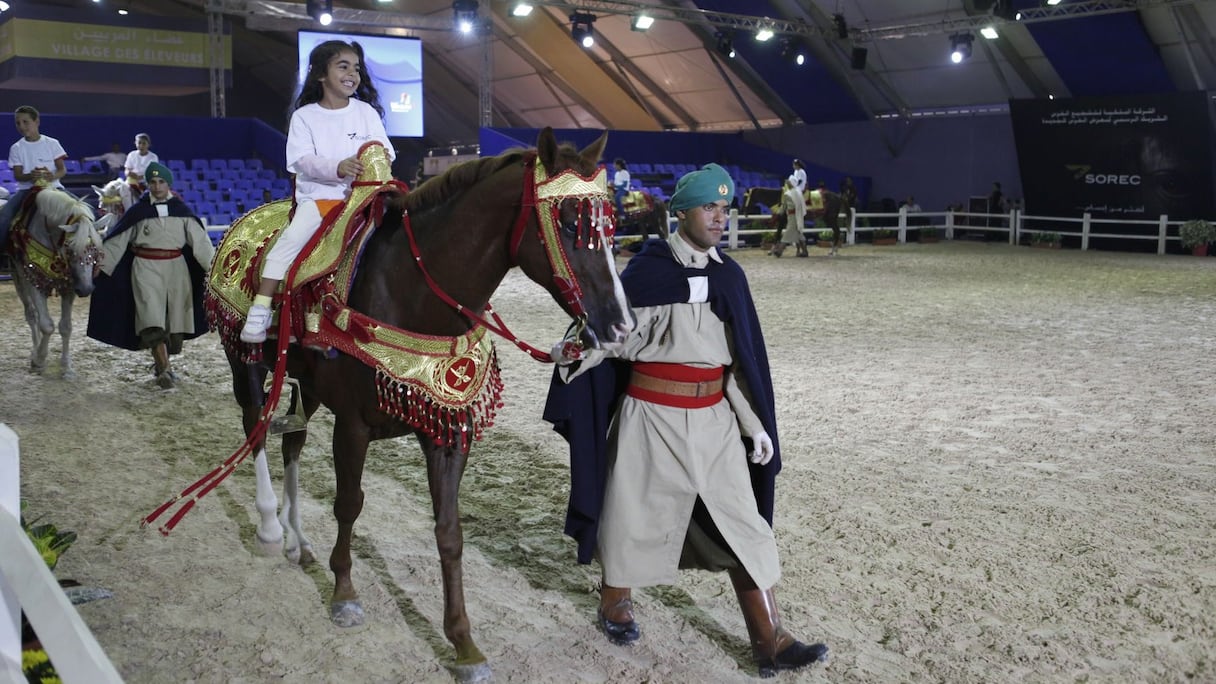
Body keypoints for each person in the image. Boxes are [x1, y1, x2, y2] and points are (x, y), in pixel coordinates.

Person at [544, 163, 829, 678]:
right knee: (632, 516)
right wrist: (573, 352)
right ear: (680, 213)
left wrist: (754, 425)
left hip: (715, 423)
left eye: (725, 208)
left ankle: (770, 638)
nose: (720, 217)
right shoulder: (649, 271)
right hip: (650, 420)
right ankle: (615, 602)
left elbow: (739, 366)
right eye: (709, 207)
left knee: (745, 524)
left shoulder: (729, 277)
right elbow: (612, 336)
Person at [239, 39, 394, 343]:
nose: (352, 73)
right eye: (343, 66)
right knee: (289, 242)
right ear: (321, 74)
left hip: (366, 198)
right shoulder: (305, 117)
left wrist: (380, 160)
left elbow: (384, 149)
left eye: (356, 68)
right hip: (322, 200)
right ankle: (261, 310)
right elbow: (300, 160)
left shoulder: (366, 112)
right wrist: (338, 167)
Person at [88, 162, 214, 389]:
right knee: (151, 319)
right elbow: (118, 240)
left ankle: (162, 362)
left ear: (168, 184)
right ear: (147, 185)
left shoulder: (182, 212)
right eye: (153, 182)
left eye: (161, 182)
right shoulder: (138, 212)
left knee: (174, 324)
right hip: (145, 269)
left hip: (177, 271)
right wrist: (100, 265)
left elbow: (201, 243)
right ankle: (165, 371)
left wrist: (215, 270)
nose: (156, 187)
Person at [0, 105, 68, 250]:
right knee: (4, 216)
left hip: (54, 188)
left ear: (36, 121)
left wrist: (52, 176)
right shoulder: (17, 148)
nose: (21, 126)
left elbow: (62, 170)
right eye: (18, 123)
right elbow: (18, 175)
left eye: (26, 122)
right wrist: (31, 176)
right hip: (27, 190)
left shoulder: (52, 143)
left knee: (85, 211)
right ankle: (3, 254)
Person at [771, 178, 807, 257]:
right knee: (799, 233)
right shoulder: (798, 192)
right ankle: (805, 251)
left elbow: (784, 206)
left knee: (788, 233)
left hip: (792, 216)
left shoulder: (788, 194)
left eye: (788, 182)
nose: (787, 184)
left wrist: (778, 212)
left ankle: (779, 251)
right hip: (798, 215)